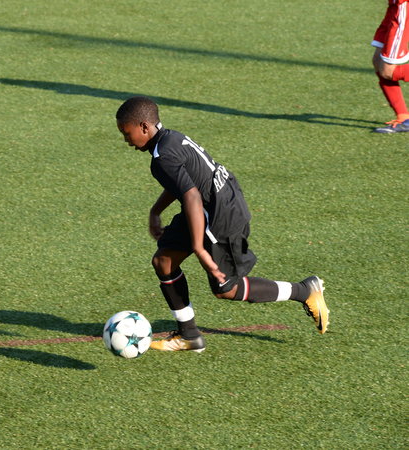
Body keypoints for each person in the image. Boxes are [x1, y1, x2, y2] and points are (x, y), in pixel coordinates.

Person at [115, 96, 329, 352]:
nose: (126, 140)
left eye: (126, 133)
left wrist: (199, 248)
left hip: (221, 214)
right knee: (164, 262)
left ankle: (304, 291)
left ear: (143, 126)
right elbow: (184, 183)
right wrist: (155, 210)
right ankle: (189, 336)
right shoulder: (170, 139)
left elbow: (191, 195)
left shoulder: (162, 158)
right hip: (214, 202)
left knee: (226, 289)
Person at [372, 0, 409, 133]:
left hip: (404, 6)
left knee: (388, 71)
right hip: (394, 7)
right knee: (378, 61)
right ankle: (404, 118)